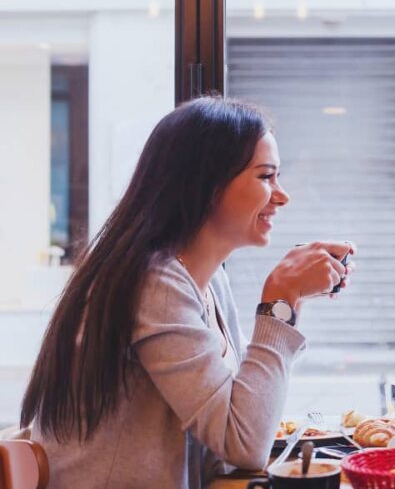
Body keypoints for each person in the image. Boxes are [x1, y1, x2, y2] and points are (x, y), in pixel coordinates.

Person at [20, 96, 355, 488]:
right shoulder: (154, 283)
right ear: (206, 183)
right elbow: (244, 443)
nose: (282, 195)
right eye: (265, 177)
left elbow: (241, 417)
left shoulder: (209, 280)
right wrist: (279, 301)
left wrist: (288, 299)